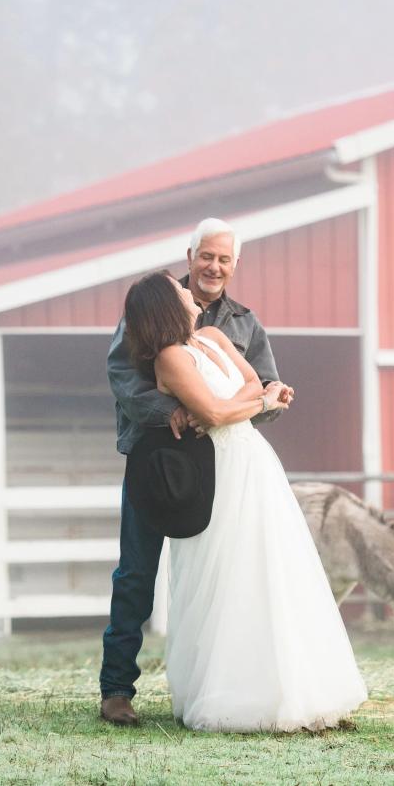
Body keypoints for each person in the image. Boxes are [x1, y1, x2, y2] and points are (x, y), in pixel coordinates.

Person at [120, 271, 366, 732]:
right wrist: (250, 403)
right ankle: (233, 691)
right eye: (179, 291)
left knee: (275, 567)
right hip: (216, 469)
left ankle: (296, 686)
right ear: (165, 307)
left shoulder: (215, 336)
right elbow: (217, 412)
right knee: (227, 573)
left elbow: (252, 384)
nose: (190, 292)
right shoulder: (170, 359)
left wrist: (240, 403)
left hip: (253, 460)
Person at [100, 218, 288, 726]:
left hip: (217, 464)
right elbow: (121, 375)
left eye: (225, 259)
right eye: (207, 256)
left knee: (223, 575)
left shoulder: (244, 323)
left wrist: (273, 398)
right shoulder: (154, 302)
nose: (214, 266)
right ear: (190, 255)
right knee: (137, 572)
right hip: (155, 457)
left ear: (235, 265)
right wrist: (173, 412)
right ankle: (116, 689)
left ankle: (223, 685)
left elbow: (263, 387)